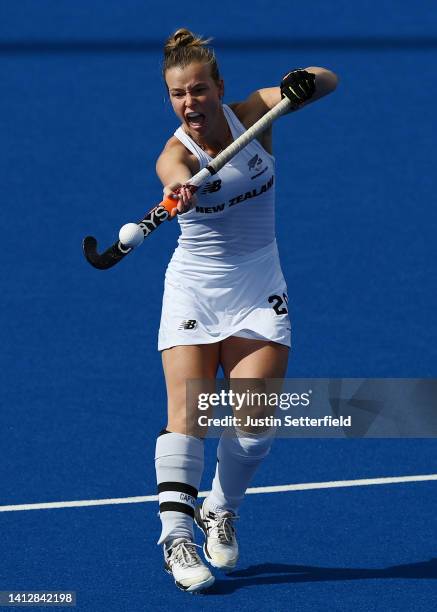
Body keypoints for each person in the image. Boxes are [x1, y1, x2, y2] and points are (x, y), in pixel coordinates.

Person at [154, 28, 338, 593]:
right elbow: (170, 170)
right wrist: (180, 187)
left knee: (254, 426)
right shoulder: (175, 152)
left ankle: (220, 508)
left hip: (259, 286)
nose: (190, 103)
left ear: (218, 89)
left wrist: (302, 84)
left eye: (198, 90)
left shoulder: (252, 115)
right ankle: (176, 539)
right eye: (179, 94)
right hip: (194, 291)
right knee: (191, 413)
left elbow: (328, 80)